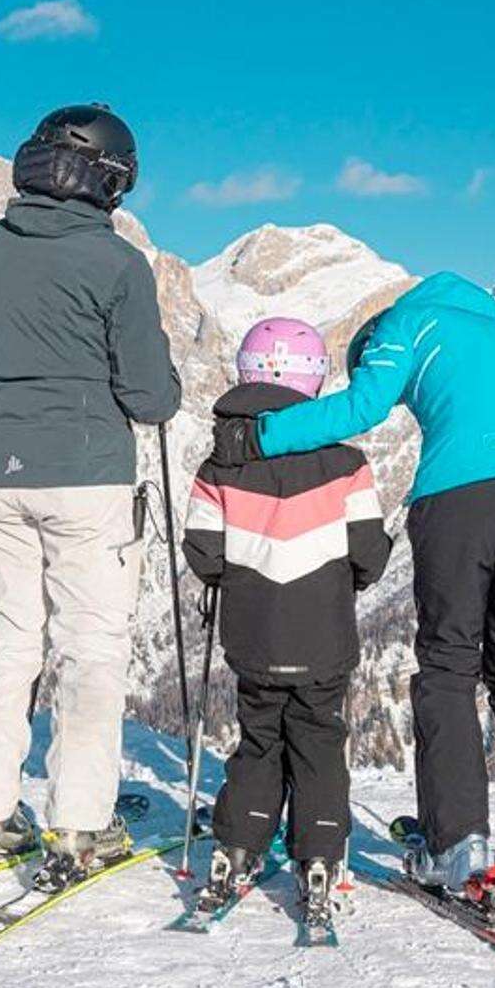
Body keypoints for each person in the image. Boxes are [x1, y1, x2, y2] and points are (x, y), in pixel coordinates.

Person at [213, 272, 495, 918]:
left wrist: (258, 438)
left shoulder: (404, 325)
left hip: (460, 501)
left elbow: (363, 407)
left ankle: (456, 850)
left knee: (449, 666)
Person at [0, 104, 180, 890]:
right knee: (90, 646)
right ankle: (77, 826)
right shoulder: (116, 264)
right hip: (87, 473)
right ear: (107, 180)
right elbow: (148, 396)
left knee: (10, 636)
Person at [182, 317, 392, 929]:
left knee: (260, 739)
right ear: (316, 380)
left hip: (252, 635)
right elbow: (369, 555)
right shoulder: (346, 463)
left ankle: (239, 847)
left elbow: (203, 555)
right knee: (320, 742)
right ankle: (320, 854)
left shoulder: (219, 464)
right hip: (324, 635)